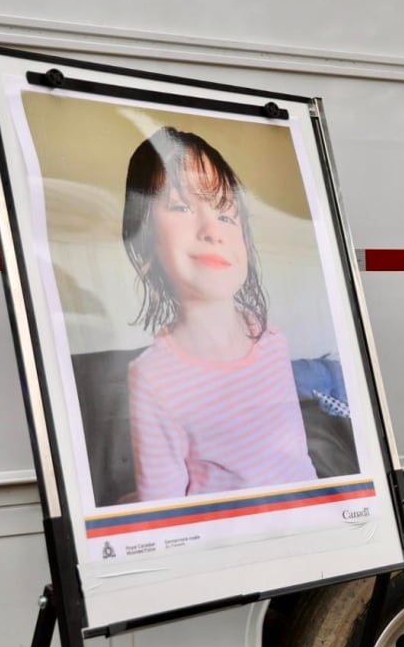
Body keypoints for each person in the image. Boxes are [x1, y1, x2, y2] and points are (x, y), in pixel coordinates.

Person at [121, 126, 317, 500]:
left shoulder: (270, 338)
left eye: (227, 216)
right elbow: (163, 510)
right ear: (144, 242)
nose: (213, 229)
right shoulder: (152, 377)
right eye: (180, 206)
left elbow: (296, 461)